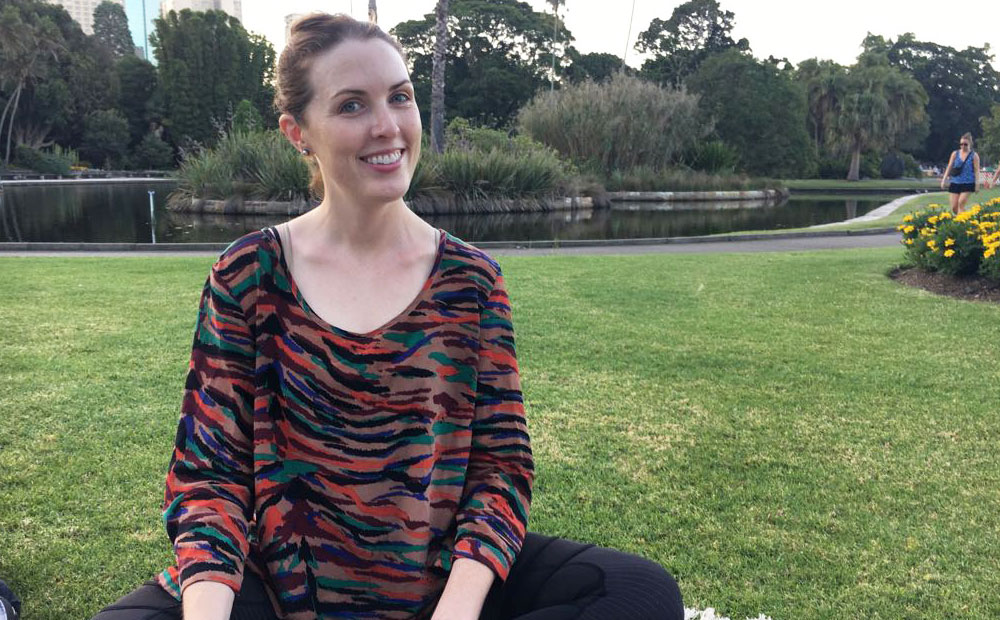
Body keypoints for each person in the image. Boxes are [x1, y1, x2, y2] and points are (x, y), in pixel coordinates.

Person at [92, 13, 683, 620]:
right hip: (276, 589)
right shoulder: (248, 275)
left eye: (400, 97)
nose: (387, 126)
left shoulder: (470, 281)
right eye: (352, 105)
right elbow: (208, 476)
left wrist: (456, 611)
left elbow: (500, 469)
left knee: (639, 593)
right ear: (299, 132)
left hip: (435, 580)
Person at [940, 132, 980, 214]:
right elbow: (949, 166)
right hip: (955, 182)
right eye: (961, 144)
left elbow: (977, 170)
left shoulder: (974, 156)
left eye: (965, 144)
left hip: (968, 182)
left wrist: (977, 184)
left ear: (970, 144)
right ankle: (966, 218)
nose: (963, 146)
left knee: (961, 203)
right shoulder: (955, 154)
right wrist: (944, 180)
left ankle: (961, 223)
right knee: (954, 208)